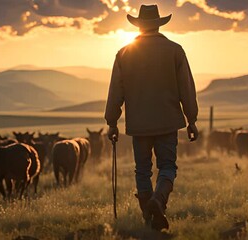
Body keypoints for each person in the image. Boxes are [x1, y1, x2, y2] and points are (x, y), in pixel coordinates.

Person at [104, 4, 199, 231]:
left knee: (142, 170)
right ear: (158, 24)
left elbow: (116, 90)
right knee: (167, 167)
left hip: (139, 125)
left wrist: (112, 122)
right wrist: (191, 119)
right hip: (167, 122)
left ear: (138, 25)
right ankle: (158, 201)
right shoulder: (175, 50)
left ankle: (149, 218)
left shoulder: (124, 53)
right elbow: (186, 88)